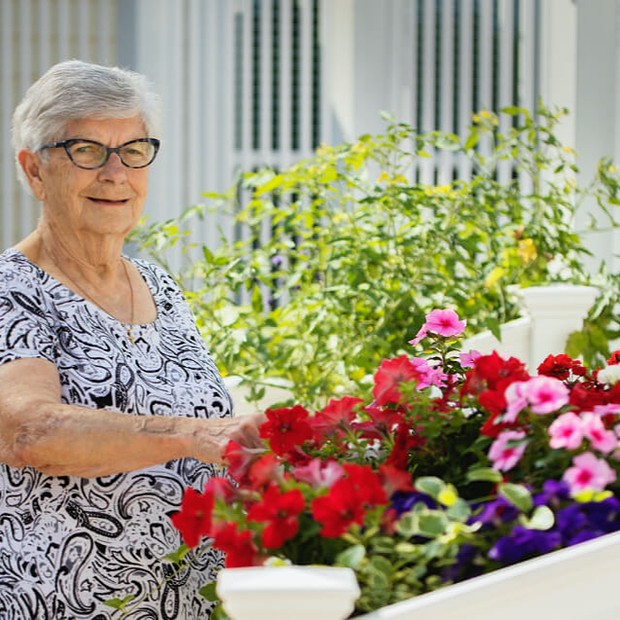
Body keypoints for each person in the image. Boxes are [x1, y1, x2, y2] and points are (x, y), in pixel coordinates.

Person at [0, 59, 264, 619]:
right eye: (87, 151)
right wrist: (199, 435)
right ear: (34, 171)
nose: (116, 172)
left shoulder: (160, 288)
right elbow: (29, 431)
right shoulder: (12, 291)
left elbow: (207, 447)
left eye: (134, 150)